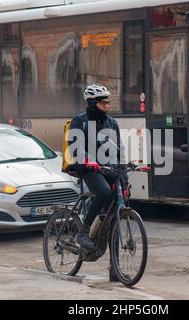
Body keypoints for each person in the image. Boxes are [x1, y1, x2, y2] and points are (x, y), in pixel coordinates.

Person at [65, 84, 129, 281]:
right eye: (103, 103)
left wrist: (124, 168)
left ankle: (114, 269)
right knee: (103, 193)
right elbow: (75, 147)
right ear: (93, 103)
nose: (107, 106)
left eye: (108, 102)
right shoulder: (80, 122)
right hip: (88, 168)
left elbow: (119, 149)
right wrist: (87, 160)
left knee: (117, 212)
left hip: (107, 168)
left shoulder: (111, 123)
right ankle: (83, 233)